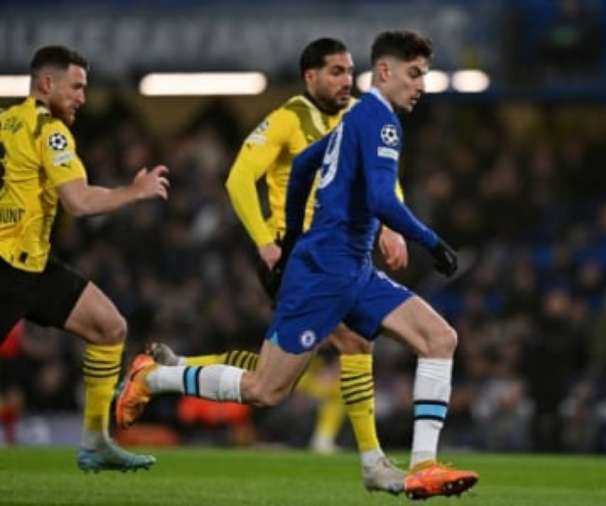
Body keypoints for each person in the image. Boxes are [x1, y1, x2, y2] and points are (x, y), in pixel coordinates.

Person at [116, 31, 479, 499]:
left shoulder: (356, 118)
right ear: (385, 72)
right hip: (323, 272)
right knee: (267, 389)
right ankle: (158, 376)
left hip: (349, 267)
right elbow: (378, 196)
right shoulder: (367, 121)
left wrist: (296, 229)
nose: (421, 86)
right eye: (415, 75)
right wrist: (430, 241)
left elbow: (308, 164)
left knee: (437, 338)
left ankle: (419, 463)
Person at [0, 46, 169, 471]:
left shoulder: (6, 123)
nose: (82, 98)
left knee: (109, 327)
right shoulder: (49, 131)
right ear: (46, 84)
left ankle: (96, 443)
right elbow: (78, 201)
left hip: (32, 266)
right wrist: (135, 191)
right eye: (76, 87)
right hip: (8, 271)